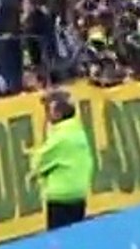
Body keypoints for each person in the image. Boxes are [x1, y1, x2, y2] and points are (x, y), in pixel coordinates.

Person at [31, 90, 94, 231]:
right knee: (76, 233)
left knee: (58, 237)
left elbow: (38, 163)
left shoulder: (59, 138)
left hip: (60, 196)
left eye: (48, 110)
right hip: (79, 193)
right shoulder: (78, 131)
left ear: (57, 114)